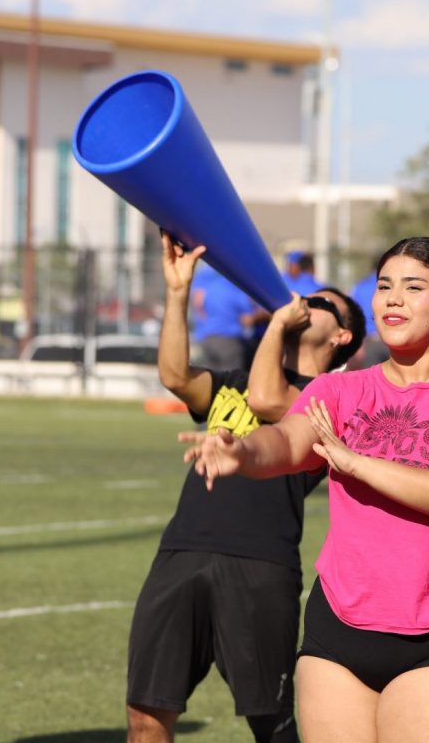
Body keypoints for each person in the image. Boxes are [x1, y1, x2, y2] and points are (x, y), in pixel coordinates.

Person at [183, 236, 429, 743]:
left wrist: (357, 462)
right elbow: (286, 441)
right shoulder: (339, 389)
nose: (394, 299)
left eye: (414, 287)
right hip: (338, 632)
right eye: (384, 286)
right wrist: (242, 451)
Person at [127, 232, 365, 743]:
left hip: (261, 564)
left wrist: (277, 323)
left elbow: (266, 399)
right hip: (182, 551)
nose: (305, 302)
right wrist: (177, 292)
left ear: (342, 337)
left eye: (321, 303)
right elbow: (175, 375)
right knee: (145, 717)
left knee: (271, 725)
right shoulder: (234, 379)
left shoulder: (332, 399)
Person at [191, 263, 257, 371]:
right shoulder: (232, 285)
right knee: (232, 379)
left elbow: (197, 304)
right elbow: (247, 312)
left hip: (206, 338)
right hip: (228, 340)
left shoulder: (207, 284)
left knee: (212, 377)